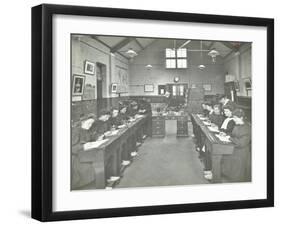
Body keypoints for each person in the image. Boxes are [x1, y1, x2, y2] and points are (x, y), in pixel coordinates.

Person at [221, 109, 251, 182]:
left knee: (227, 156)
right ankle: (224, 174)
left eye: (235, 118)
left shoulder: (247, 128)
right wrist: (226, 135)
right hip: (235, 147)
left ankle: (233, 178)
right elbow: (233, 135)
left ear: (241, 118)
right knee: (224, 154)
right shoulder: (237, 125)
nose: (234, 120)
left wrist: (230, 138)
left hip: (242, 151)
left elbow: (242, 143)